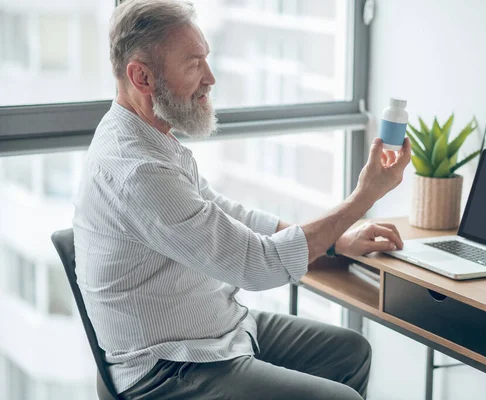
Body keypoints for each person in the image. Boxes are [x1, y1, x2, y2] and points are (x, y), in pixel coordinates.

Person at [73, 1, 411, 399]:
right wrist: (364, 196)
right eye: (193, 64)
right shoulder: (139, 170)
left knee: (349, 352)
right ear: (142, 77)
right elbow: (257, 266)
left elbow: (227, 214)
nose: (210, 78)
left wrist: (337, 241)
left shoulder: (150, 137)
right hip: (172, 364)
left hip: (215, 330)